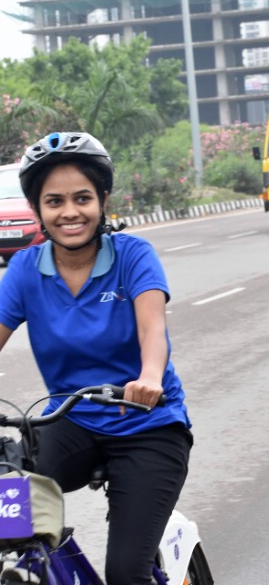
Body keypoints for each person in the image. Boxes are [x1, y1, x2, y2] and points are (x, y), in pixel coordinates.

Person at [0, 132, 192, 585]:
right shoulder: (25, 269)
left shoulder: (133, 256)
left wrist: (148, 377)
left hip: (149, 425)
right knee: (13, 518)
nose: (70, 212)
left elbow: (152, 329)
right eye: (55, 201)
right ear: (38, 209)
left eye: (82, 198)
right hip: (71, 424)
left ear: (103, 200)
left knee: (126, 573)